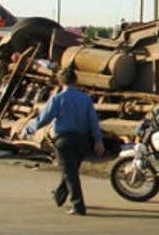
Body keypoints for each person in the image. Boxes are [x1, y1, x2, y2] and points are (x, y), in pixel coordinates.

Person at [25, 67, 105, 215]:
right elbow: (94, 122)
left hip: (64, 140)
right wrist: (98, 141)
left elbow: (44, 118)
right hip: (82, 140)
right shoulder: (86, 99)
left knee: (70, 173)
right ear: (76, 81)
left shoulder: (57, 99)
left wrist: (28, 130)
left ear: (61, 82)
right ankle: (59, 195)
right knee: (70, 170)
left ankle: (78, 206)